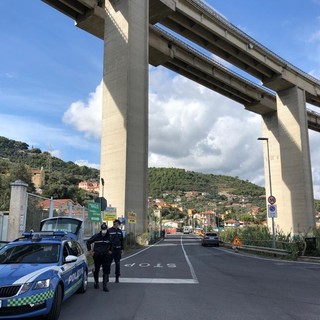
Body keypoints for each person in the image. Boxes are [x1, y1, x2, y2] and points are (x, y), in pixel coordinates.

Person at [86, 222, 112, 292]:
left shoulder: (109, 237)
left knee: (105, 270)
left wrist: (110, 250)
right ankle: (96, 282)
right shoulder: (97, 236)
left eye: (105, 229)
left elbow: (112, 244)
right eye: (103, 229)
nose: (104, 231)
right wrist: (90, 251)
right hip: (97, 256)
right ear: (101, 229)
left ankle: (105, 285)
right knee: (96, 270)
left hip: (105, 256)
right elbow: (88, 242)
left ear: (107, 229)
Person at [108, 219, 124, 283]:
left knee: (117, 264)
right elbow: (107, 241)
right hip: (111, 250)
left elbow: (122, 241)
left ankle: (117, 277)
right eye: (117, 224)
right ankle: (107, 276)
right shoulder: (109, 231)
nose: (118, 225)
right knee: (108, 264)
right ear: (114, 224)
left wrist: (122, 249)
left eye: (118, 224)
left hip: (118, 250)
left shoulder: (120, 231)